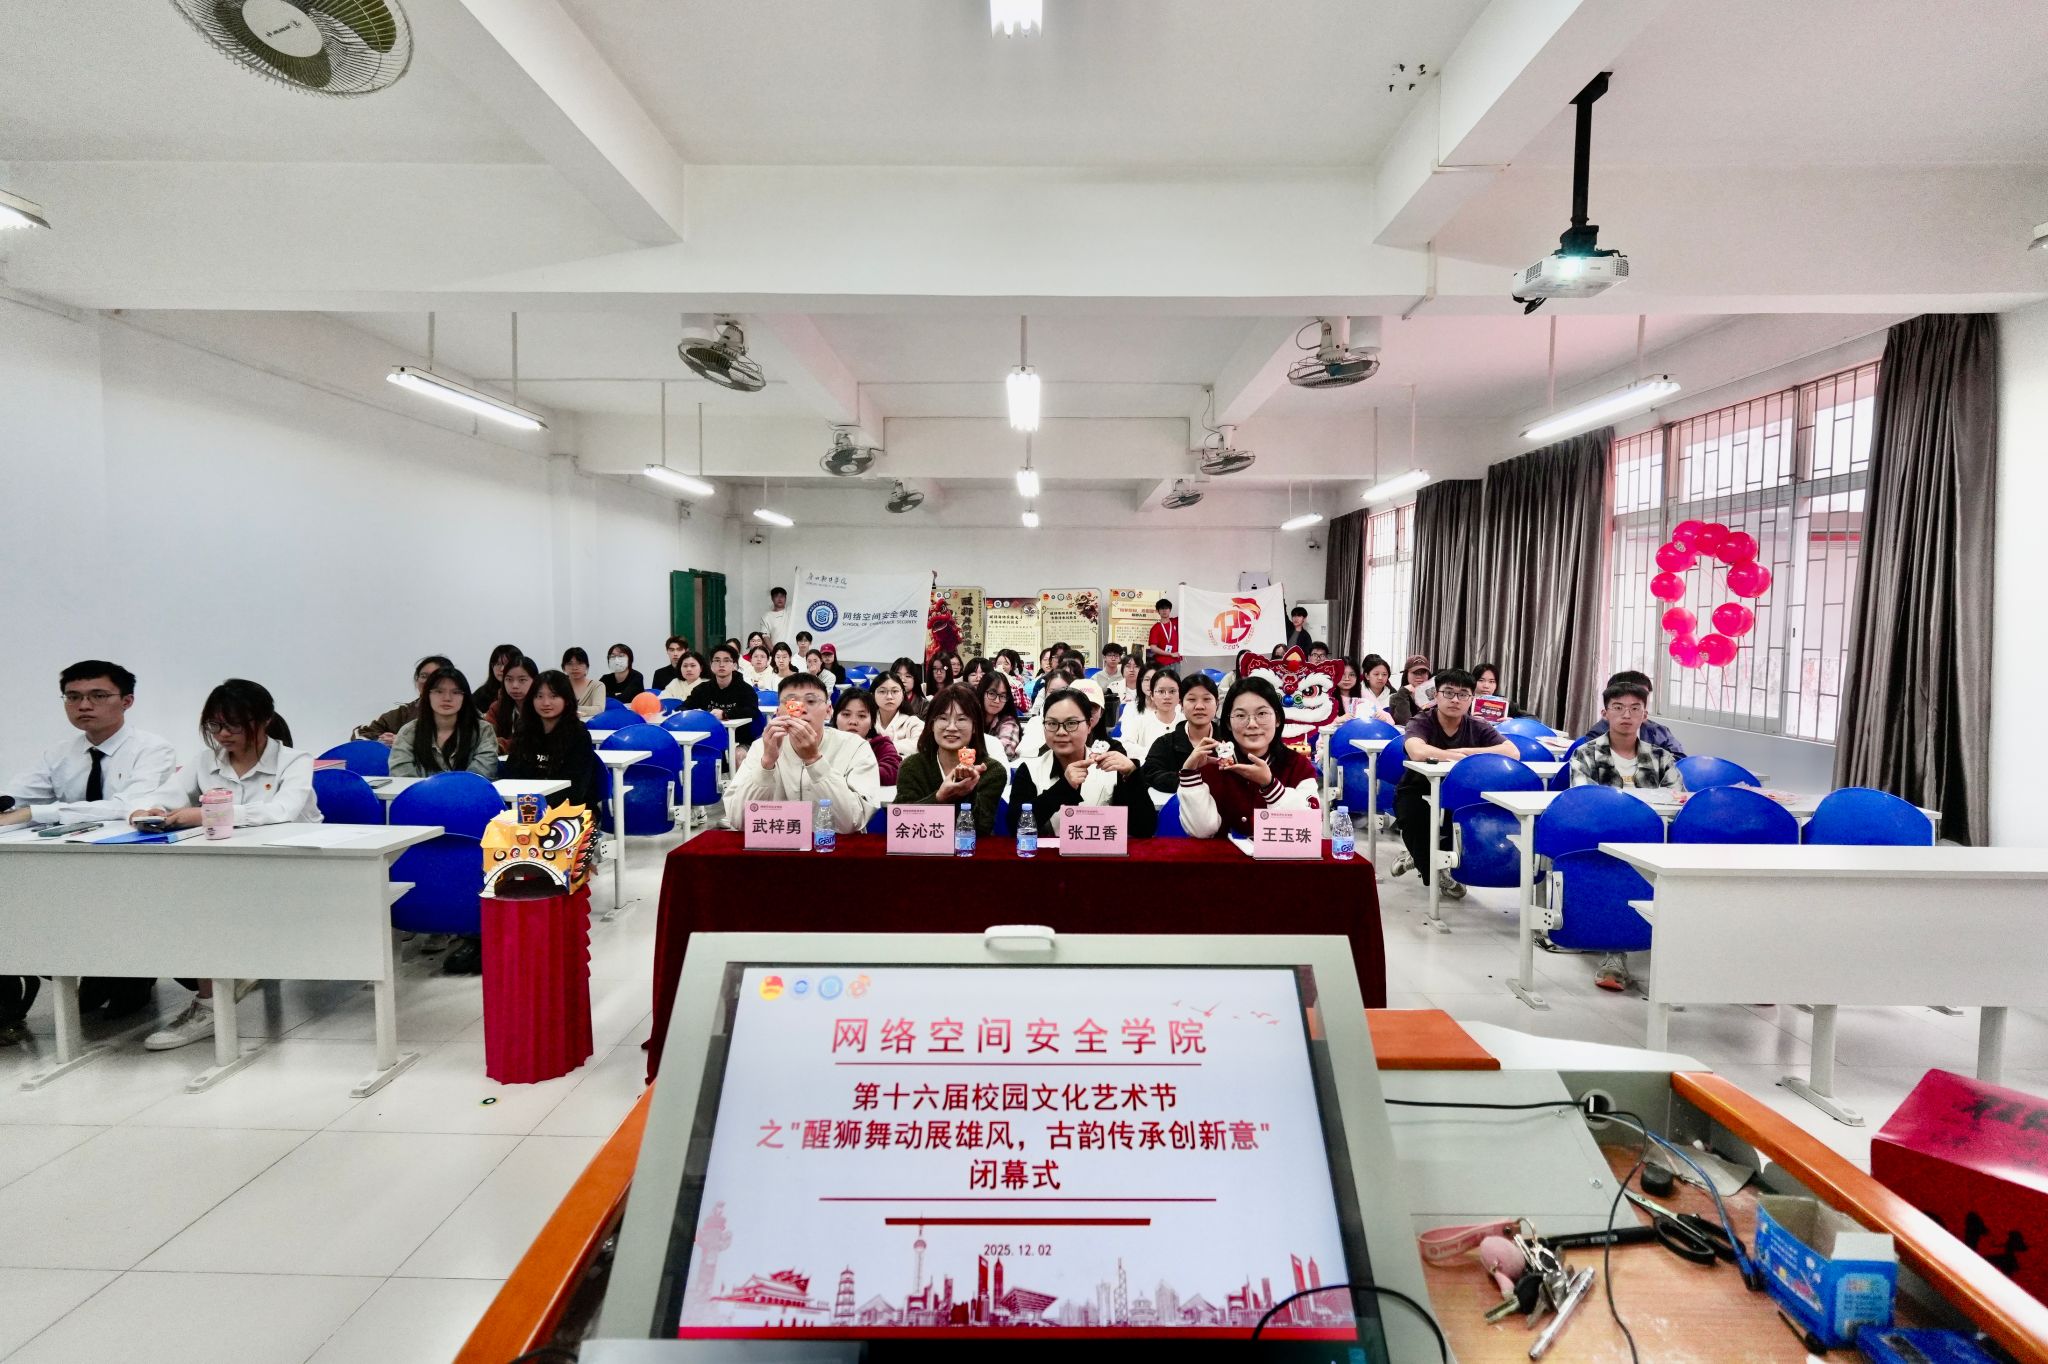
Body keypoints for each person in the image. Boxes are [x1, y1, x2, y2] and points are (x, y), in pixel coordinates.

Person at [128, 679, 317, 1050]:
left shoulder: (295, 760)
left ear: (264, 720)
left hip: (290, 867)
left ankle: (213, 1001)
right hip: (228, 867)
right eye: (215, 726)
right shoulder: (206, 761)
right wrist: (148, 810)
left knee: (205, 905)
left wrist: (208, 814)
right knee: (185, 900)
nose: (223, 735)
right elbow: (165, 797)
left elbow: (282, 811)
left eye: (234, 725)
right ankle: (214, 996)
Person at [1, 660, 181, 1037]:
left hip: (133, 866)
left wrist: (37, 812)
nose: (84, 705)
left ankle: (128, 975)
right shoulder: (59, 753)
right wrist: (13, 808)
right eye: (73, 697)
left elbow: (128, 806)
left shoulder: (153, 749)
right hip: (72, 865)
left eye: (98, 696)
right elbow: (17, 797)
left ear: (127, 701)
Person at [1391, 667, 1519, 895]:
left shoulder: (1477, 725)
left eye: (1463, 694)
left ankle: (1418, 858)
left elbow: (1512, 752)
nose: (1455, 700)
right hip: (1417, 789)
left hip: (1462, 794)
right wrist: (1455, 756)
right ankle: (1432, 869)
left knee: (1472, 823)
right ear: (1436, 695)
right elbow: (1417, 751)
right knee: (1414, 820)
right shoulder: (1422, 721)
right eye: (1448, 693)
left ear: (1471, 698)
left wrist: (1466, 752)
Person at [727, 672, 879, 833]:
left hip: (831, 845)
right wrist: (766, 764)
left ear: (828, 711)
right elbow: (738, 820)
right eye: (791, 702)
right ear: (778, 712)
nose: (801, 710)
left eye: (811, 701)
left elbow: (853, 821)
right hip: (777, 844)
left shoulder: (855, 747)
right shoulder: (761, 747)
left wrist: (814, 760)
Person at [1174, 676, 1321, 839]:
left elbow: (1310, 827)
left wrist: (1271, 786)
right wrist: (1189, 774)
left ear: (1278, 719)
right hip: (1224, 855)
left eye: (1262, 713)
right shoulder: (1212, 763)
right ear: (1228, 723)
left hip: (1280, 856)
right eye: (1240, 715)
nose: (1252, 724)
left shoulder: (1297, 765)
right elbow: (1202, 831)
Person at [1009, 687, 1157, 838]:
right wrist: (1063, 787)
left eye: (1071, 723)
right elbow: (1014, 827)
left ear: (1089, 725)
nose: (1061, 732)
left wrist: (1133, 775)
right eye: (1052, 723)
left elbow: (1144, 830)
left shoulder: (1110, 769)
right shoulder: (1030, 770)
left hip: (1100, 852)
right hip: (1047, 853)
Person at [895, 684, 1008, 835]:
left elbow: (982, 829)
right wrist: (939, 798)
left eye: (961, 719)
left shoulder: (992, 771)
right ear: (931, 725)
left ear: (975, 726)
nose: (951, 727)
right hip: (922, 849)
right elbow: (900, 823)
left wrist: (967, 792)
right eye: (943, 718)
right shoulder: (912, 767)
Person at [503, 670, 604, 808]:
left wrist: (539, 804)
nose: (546, 703)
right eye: (539, 696)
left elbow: (576, 788)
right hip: (527, 806)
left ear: (566, 700)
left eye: (554, 696)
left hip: (570, 808)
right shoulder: (524, 730)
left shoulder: (578, 734)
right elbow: (511, 774)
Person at [389, 667, 497, 777]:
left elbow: (481, 774)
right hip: (420, 789)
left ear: (465, 697)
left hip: (468, 788)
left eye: (455, 692)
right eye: (439, 691)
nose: (447, 698)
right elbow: (402, 775)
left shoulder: (482, 730)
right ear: (427, 695)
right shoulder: (409, 732)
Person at [1139, 671, 1219, 793]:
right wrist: (1187, 774)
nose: (1199, 706)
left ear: (1217, 703)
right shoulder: (1165, 743)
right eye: (1191, 699)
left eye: (1207, 699)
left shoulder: (1230, 739)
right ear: (1181, 704)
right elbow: (1151, 774)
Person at [1578, 669, 1689, 757]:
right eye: (1619, 706)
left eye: (1643, 697)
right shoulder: (1597, 734)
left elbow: (1679, 760)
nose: (1627, 714)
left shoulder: (1658, 731)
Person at [355, 654, 455, 743]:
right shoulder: (405, 713)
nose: (428, 681)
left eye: (435, 676)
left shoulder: (459, 711)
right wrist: (381, 741)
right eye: (424, 676)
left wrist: (404, 743)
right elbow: (362, 734)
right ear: (417, 680)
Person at [685, 644, 764, 740]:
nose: (721, 664)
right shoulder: (701, 689)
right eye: (717, 660)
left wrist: (725, 714)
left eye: (726, 660)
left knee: (739, 751)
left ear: (734, 665)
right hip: (709, 739)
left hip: (740, 739)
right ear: (711, 665)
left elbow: (752, 711)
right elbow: (684, 708)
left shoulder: (746, 690)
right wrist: (702, 715)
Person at [832, 688, 900, 785]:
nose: (853, 722)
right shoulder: (824, 742)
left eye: (861, 716)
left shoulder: (880, 745)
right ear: (835, 718)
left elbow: (892, 771)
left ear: (872, 722)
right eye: (846, 714)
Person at [1119, 666, 1182, 766]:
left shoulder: (1186, 722)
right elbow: (1126, 745)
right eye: (1161, 691)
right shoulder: (1139, 721)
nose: (1167, 696)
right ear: (1152, 695)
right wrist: (1155, 752)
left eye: (1172, 691)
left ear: (1180, 695)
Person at [488, 655, 539, 754]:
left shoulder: (543, 707)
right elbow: (485, 737)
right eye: (509, 679)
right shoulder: (497, 707)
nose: (515, 686)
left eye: (522, 680)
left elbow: (532, 742)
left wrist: (501, 744)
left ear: (535, 681)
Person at [977, 670, 1024, 762]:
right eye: (992, 694)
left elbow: (1006, 751)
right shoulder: (970, 717)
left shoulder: (1009, 722)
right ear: (981, 692)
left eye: (1002, 696)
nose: (997, 701)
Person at [874, 673, 924, 752]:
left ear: (903, 695)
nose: (889, 697)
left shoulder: (913, 723)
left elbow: (920, 745)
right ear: (873, 695)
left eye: (895, 691)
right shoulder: (867, 722)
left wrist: (879, 746)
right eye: (882, 691)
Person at [1380, 654, 1434, 727]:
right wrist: (1403, 693)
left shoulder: (1435, 697)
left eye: (1423, 672)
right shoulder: (1396, 698)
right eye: (1415, 672)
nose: (1419, 676)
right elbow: (1405, 724)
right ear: (1406, 674)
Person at [472, 643, 524, 716]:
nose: (502, 669)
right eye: (498, 664)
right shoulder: (482, 695)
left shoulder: (528, 692)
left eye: (507, 664)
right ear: (492, 667)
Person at [562, 648, 605, 719]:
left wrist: (569, 709)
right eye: (570, 663)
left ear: (587, 666)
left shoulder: (597, 686)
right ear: (564, 667)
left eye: (579, 663)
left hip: (589, 724)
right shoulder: (559, 686)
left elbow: (599, 709)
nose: (575, 668)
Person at [1147, 598, 1181, 667]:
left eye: (1166, 608)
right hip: (1161, 663)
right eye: (1162, 608)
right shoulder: (1155, 628)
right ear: (1158, 611)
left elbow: (1188, 614)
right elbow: (1153, 648)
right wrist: (1170, 654)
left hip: (1176, 661)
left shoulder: (1176, 621)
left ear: (1170, 610)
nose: (1164, 610)